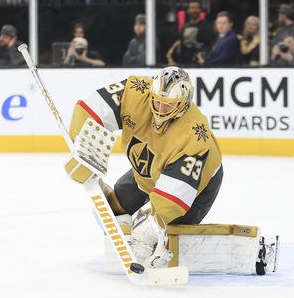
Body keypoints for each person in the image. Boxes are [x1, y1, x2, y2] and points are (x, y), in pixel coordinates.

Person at [65, 66, 226, 270]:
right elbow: (89, 106)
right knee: (109, 209)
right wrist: (82, 146)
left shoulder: (195, 136)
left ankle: (156, 240)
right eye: (157, 100)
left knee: (159, 232)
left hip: (198, 186)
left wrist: (149, 229)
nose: (159, 108)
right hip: (150, 169)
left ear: (183, 103)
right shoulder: (136, 90)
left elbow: (172, 199)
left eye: (168, 105)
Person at [166, 0, 215, 66]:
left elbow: (210, 44)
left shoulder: (206, 26)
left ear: (200, 10)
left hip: (200, 62)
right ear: (188, 10)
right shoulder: (184, 27)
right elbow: (180, 45)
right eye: (192, 7)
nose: (195, 10)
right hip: (185, 62)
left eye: (197, 8)